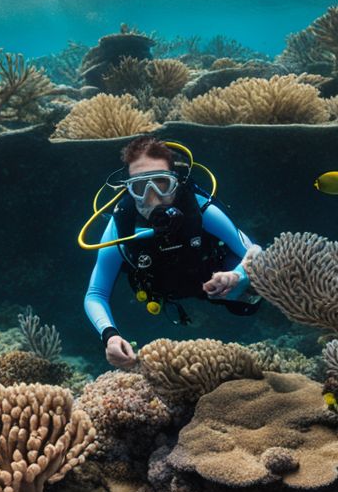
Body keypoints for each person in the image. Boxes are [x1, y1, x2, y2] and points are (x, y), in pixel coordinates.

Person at [83, 135, 260, 367]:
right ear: (129, 189)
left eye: (161, 183)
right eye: (140, 187)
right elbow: (96, 294)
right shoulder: (121, 225)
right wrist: (110, 336)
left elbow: (255, 252)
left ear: (176, 182)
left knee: (248, 305)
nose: (152, 197)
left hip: (213, 280)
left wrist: (238, 275)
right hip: (161, 288)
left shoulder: (200, 208)